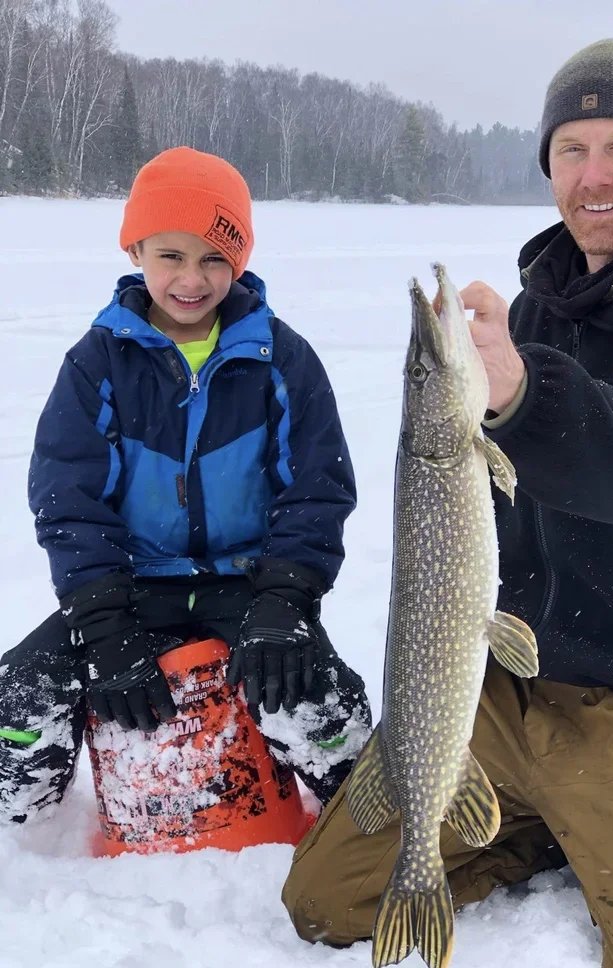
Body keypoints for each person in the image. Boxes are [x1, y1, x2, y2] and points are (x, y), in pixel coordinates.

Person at [282, 39, 613, 966]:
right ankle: (541, 824)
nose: (595, 174)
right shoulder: (531, 317)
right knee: (328, 902)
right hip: (503, 696)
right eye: (571, 150)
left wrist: (526, 395)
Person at [0, 146, 371, 824]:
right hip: (134, 587)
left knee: (315, 697)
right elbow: (69, 503)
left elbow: (316, 491)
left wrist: (286, 600)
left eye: (213, 258)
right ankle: (23, 830)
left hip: (248, 585)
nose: (191, 279)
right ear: (136, 249)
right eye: (170, 255)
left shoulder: (282, 359)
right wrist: (105, 628)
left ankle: (371, 819)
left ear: (240, 260)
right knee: (18, 698)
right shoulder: (96, 364)